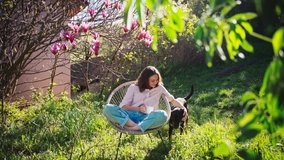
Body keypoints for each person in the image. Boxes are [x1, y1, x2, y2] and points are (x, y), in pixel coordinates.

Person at [103, 66, 187, 133]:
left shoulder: (160, 88)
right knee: (107, 108)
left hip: (148, 118)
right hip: (129, 116)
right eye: (152, 80)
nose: (155, 83)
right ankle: (134, 126)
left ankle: (133, 128)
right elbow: (123, 107)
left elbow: (172, 100)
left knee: (163, 115)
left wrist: (183, 108)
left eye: (157, 80)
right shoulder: (133, 88)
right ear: (145, 79)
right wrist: (138, 109)